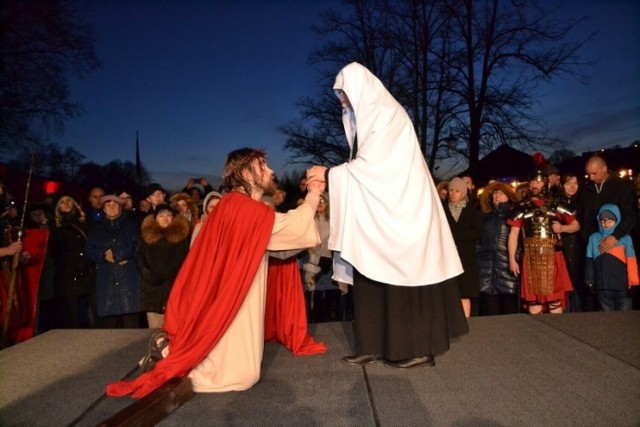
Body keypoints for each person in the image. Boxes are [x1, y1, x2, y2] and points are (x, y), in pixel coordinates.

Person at [107, 147, 325, 398]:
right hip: (233, 296)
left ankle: (171, 352)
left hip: (229, 293)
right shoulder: (243, 208)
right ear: (247, 172)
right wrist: (314, 192)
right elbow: (294, 228)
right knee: (241, 376)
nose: (271, 171)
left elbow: (281, 245)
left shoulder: (237, 205)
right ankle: (170, 356)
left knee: (239, 369)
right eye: (264, 166)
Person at [306, 62, 467, 369]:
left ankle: (420, 347)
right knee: (370, 276)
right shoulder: (370, 121)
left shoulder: (387, 117)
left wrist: (328, 173)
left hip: (405, 215)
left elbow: (377, 169)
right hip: (379, 216)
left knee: (408, 282)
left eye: (343, 93)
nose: (341, 101)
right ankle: (373, 345)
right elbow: (366, 169)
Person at [507, 170, 577, 314]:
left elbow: (576, 225)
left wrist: (562, 227)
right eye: (532, 182)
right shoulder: (521, 207)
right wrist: (511, 259)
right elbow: (513, 235)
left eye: (537, 182)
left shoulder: (556, 204)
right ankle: (537, 335)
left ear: (545, 183)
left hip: (553, 256)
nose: (534, 185)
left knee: (554, 299)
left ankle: (558, 334)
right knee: (533, 300)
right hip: (531, 257)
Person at [86, 194, 140, 328]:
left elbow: (139, 246)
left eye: (115, 205)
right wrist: (104, 256)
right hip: (106, 281)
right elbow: (89, 250)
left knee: (131, 325)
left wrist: (119, 255)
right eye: (108, 205)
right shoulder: (96, 229)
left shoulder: (132, 226)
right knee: (110, 328)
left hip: (128, 281)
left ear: (120, 208)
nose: (111, 208)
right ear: (103, 209)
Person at [136, 204, 190, 328]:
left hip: (174, 290)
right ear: (155, 218)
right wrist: (148, 274)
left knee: (175, 330)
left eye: (168, 215)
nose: (165, 218)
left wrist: (166, 274)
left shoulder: (181, 238)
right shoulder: (147, 237)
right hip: (152, 291)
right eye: (161, 215)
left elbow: (184, 260)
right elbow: (139, 258)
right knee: (155, 331)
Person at [49, 195, 96, 328]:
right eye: (62, 202)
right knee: (72, 312)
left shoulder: (85, 220)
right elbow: (55, 251)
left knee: (94, 309)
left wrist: (87, 260)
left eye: (69, 200)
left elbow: (93, 242)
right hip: (67, 273)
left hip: (87, 269)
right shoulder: (55, 225)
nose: (66, 204)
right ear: (58, 206)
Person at [477, 181, 522, 315]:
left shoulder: (514, 214)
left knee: (509, 306)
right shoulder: (483, 215)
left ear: (508, 196)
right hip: (486, 264)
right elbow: (478, 238)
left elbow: (518, 239)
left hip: (508, 263)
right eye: (495, 193)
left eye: (501, 193)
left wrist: (515, 258)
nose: (497, 195)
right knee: (490, 307)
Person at [585, 204, 639, 311]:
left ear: (616, 220)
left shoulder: (625, 239)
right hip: (603, 286)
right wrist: (589, 280)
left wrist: (633, 282)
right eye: (602, 220)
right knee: (606, 316)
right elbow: (589, 261)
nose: (605, 223)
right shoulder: (593, 238)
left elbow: (631, 261)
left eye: (609, 220)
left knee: (624, 316)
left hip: (622, 286)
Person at [443, 177, 482, 317]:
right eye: (451, 190)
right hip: (447, 256)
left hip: (466, 257)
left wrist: (456, 236)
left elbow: (478, 231)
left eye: (457, 191)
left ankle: (466, 321)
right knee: (448, 291)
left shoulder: (471, 211)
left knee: (465, 292)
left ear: (464, 193)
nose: (453, 193)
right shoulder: (442, 210)